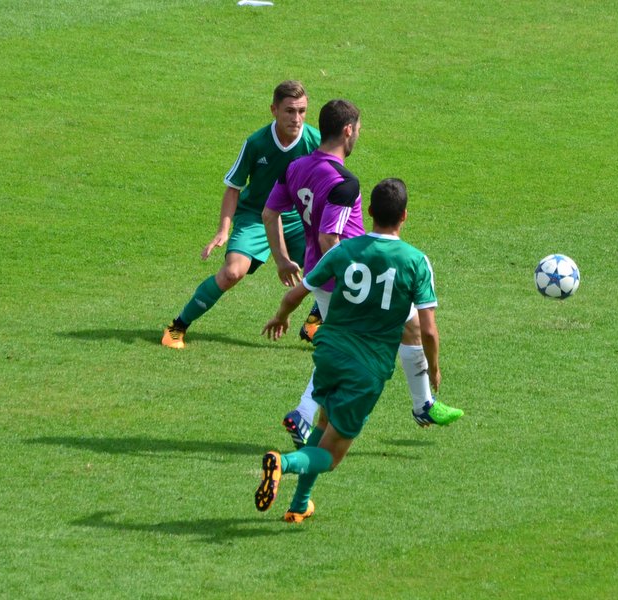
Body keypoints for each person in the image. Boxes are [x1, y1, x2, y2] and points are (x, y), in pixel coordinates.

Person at [256, 178, 460, 522]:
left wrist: (281, 318)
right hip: (366, 369)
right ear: (405, 216)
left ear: (368, 212)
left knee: (323, 423)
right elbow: (427, 330)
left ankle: (299, 504)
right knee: (332, 455)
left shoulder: (342, 251)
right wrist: (435, 368)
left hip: (329, 353)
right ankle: (283, 463)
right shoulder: (416, 261)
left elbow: (296, 294)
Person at [262, 100, 462, 449]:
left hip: (322, 273)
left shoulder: (294, 168)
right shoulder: (344, 182)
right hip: (349, 278)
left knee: (405, 326)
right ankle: (304, 414)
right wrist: (351, 284)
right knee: (351, 348)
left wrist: (281, 259)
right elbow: (329, 237)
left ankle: (423, 405)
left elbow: (269, 212)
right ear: (348, 130)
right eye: (358, 130)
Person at [161, 81, 322, 349]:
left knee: (330, 266)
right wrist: (223, 231)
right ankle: (177, 327)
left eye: (302, 111)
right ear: (274, 110)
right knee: (232, 272)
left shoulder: (315, 142)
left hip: (295, 219)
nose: (297, 118)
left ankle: (314, 324)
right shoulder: (256, 143)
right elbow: (233, 189)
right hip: (256, 217)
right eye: (290, 111)